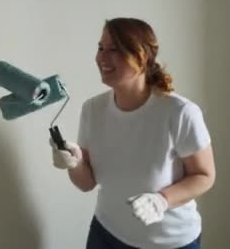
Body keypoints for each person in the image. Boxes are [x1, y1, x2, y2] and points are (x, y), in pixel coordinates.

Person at [51, 18, 216, 249]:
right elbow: (87, 183)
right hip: (106, 234)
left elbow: (204, 176)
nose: (102, 57)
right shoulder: (92, 109)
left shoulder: (179, 112)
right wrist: (74, 163)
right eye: (101, 48)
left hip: (170, 242)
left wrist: (162, 200)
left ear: (142, 56)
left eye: (114, 49)